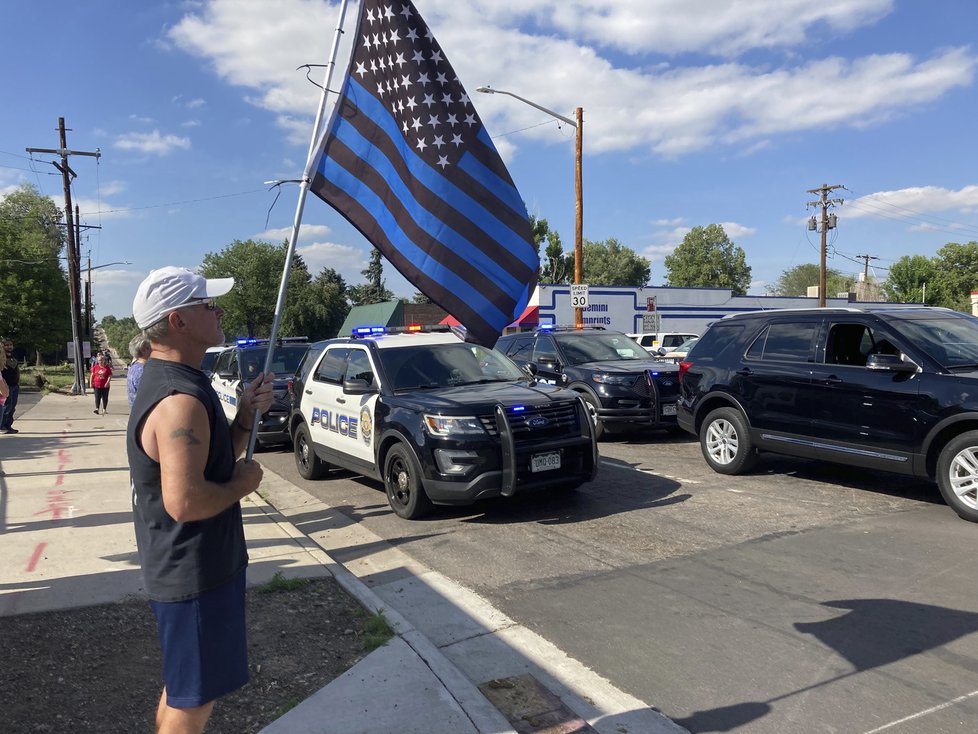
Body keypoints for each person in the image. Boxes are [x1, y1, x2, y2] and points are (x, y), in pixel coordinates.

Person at [127, 266, 273, 734]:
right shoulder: (179, 399)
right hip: (194, 573)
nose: (219, 311)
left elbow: (208, 463)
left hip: (196, 569)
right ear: (178, 321)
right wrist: (244, 485)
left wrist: (245, 417)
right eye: (208, 304)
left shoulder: (183, 381)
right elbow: (185, 502)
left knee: (184, 689)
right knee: (193, 701)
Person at [1, 338, 20, 434]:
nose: (9, 347)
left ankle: (8, 425)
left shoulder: (14, 355)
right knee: (6, 407)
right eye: (6, 345)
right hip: (5, 385)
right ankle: (3, 425)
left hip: (15, 385)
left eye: (10, 345)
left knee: (12, 407)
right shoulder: (1, 357)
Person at [127, 335, 152, 407]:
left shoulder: (134, 367)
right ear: (143, 350)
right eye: (150, 347)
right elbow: (148, 395)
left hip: (136, 412)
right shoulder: (142, 370)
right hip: (144, 412)